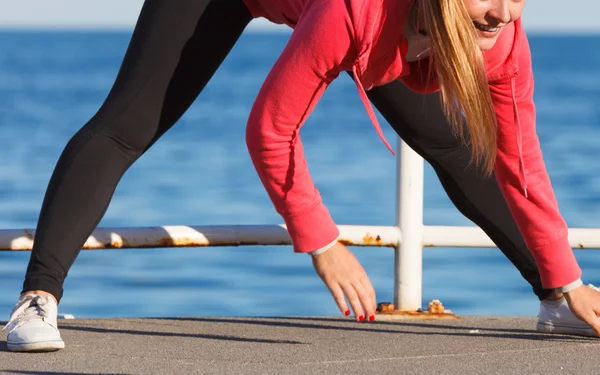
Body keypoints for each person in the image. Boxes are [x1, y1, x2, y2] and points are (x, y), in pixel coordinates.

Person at [4, 0, 600, 352]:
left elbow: (522, 166)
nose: (503, 10)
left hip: (384, 22)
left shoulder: (499, 35)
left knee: (451, 143)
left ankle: (553, 300)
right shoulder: (357, 9)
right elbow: (270, 128)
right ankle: (36, 300)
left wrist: (568, 279)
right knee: (126, 125)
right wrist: (321, 239)